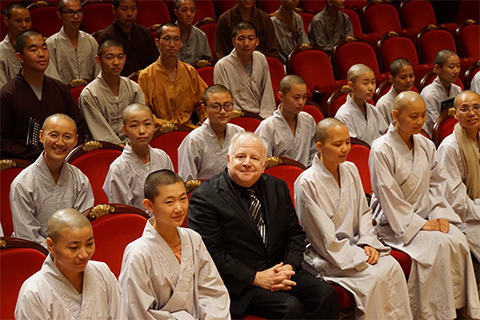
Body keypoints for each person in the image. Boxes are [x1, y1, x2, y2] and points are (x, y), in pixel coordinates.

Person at [188, 132, 339, 319]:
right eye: (240, 157)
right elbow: (210, 252)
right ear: (228, 159)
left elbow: (295, 234)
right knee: (290, 308)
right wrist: (256, 277)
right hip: (240, 284)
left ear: (264, 165)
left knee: (326, 296)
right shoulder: (205, 197)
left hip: (281, 269)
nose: (247, 163)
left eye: (254, 158)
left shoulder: (277, 187)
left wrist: (288, 267)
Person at [369, 91, 480, 320]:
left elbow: (437, 184)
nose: (420, 121)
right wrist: (420, 224)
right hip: (395, 223)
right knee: (438, 244)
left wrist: (439, 214)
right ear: (396, 115)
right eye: (413, 116)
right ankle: (432, 313)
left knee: (457, 238)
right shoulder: (381, 148)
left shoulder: (426, 144)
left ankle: (458, 308)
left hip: (427, 216)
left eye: (422, 116)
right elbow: (387, 193)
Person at [294, 118, 412, 319]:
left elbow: (364, 213)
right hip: (328, 255)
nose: (345, 149)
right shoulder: (307, 182)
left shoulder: (350, 169)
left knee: (392, 267)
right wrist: (358, 256)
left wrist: (368, 243)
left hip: (357, 246)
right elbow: (321, 236)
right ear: (320, 146)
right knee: (374, 276)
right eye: (337, 144)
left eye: (347, 142)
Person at [119, 169, 231, 319]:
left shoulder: (193, 239)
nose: (179, 208)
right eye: (169, 202)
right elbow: (137, 312)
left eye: (183, 199)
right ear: (149, 205)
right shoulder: (138, 253)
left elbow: (212, 290)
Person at [15, 208, 127, 319]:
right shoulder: (34, 292)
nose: (84, 255)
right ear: (50, 245)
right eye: (74, 247)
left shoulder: (102, 273)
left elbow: (119, 316)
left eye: (89, 244)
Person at [0, 29, 87, 161]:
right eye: (33, 50)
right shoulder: (8, 94)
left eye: (44, 48)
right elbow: (3, 142)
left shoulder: (60, 88)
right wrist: (41, 156)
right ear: (20, 57)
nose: (41, 54)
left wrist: (66, 150)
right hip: (25, 164)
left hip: (63, 160)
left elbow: (78, 125)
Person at [10, 114, 94, 248]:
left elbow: (82, 224)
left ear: (76, 140)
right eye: (54, 135)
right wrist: (58, 252)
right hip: (37, 255)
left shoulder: (80, 180)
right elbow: (27, 235)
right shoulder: (22, 183)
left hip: (74, 251)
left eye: (67, 137)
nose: (60, 143)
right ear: (41, 136)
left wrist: (69, 252)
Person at [103, 104, 174, 212]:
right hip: (136, 225)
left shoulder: (162, 157)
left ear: (154, 126)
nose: (142, 131)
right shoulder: (119, 167)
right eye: (134, 126)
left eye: (147, 124)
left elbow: (172, 193)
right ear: (125, 130)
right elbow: (122, 212)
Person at [138, 23, 208, 129]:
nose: (171, 44)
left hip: (189, 130)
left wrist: (202, 126)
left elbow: (206, 100)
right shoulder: (146, 75)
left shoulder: (189, 71)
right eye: (167, 39)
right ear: (157, 42)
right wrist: (165, 126)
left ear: (181, 43)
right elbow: (143, 111)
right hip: (159, 132)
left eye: (176, 39)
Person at [438, 90, 480, 263]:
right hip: (463, 216)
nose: (472, 113)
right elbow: (455, 200)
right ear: (455, 114)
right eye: (465, 109)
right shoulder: (449, 147)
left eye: (476, 107)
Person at [80, 40, 144, 146]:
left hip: (135, 145)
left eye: (120, 57)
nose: (116, 62)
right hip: (106, 149)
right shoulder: (89, 94)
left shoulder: (133, 88)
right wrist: (121, 147)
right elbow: (99, 131)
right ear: (98, 60)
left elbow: (141, 121)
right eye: (110, 58)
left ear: (124, 59)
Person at [178, 84, 244, 181]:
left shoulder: (239, 133)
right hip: (204, 194)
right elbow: (188, 181)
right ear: (204, 108)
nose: (222, 111)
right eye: (216, 106)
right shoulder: (194, 139)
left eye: (227, 106)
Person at [214, 21, 276, 119]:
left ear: (257, 41)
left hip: (262, 117)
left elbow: (267, 93)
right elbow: (223, 101)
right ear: (234, 41)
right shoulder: (222, 65)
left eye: (250, 39)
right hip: (236, 117)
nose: (246, 44)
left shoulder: (260, 58)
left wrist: (265, 118)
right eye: (241, 39)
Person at [255, 75, 316, 167]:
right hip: (278, 178)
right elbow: (262, 162)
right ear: (281, 96)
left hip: (306, 177)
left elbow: (315, 153)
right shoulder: (267, 126)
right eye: (296, 98)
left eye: (304, 97)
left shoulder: (308, 120)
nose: (301, 102)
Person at [97, 0, 159, 77]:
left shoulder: (145, 32)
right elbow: (106, 70)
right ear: (114, 10)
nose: (129, 13)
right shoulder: (106, 36)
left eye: (133, 9)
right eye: (124, 9)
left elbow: (156, 62)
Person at [46, 0, 100, 84]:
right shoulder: (51, 44)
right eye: (70, 12)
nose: (76, 16)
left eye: (79, 12)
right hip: (63, 94)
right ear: (59, 15)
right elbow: (51, 77)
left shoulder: (90, 40)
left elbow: (99, 72)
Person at [335, 64, 387, 145]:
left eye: (373, 82)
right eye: (365, 83)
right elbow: (351, 146)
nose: (371, 87)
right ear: (351, 85)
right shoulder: (343, 115)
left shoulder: (373, 110)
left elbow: (385, 134)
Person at [214, 0, 279, 60]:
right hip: (231, 66)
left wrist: (257, 56)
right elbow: (220, 52)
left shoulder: (265, 19)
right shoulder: (225, 20)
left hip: (260, 64)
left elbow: (273, 52)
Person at [421, 48, 462, 136]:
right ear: (437, 68)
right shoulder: (429, 95)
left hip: (457, 133)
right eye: (451, 67)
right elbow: (435, 125)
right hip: (437, 138)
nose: (456, 71)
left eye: (458, 66)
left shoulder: (457, 89)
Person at [0, 2, 31, 88]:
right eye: (18, 21)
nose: (24, 25)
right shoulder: (1, 52)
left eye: (27, 20)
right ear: (6, 21)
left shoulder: (38, 49)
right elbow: (2, 93)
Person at [376, 58, 416, 125]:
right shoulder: (383, 104)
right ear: (391, 79)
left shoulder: (415, 98)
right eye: (403, 77)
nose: (409, 80)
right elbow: (383, 133)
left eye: (411, 76)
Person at [270, 0, 309, 64]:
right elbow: (282, 50)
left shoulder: (298, 18)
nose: (294, 0)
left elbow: (303, 41)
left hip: (299, 58)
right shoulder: (274, 21)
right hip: (284, 62)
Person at [174, 0, 212, 65]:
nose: (189, 14)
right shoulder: (168, 36)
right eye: (184, 10)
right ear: (176, 12)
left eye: (192, 11)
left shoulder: (201, 35)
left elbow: (207, 62)